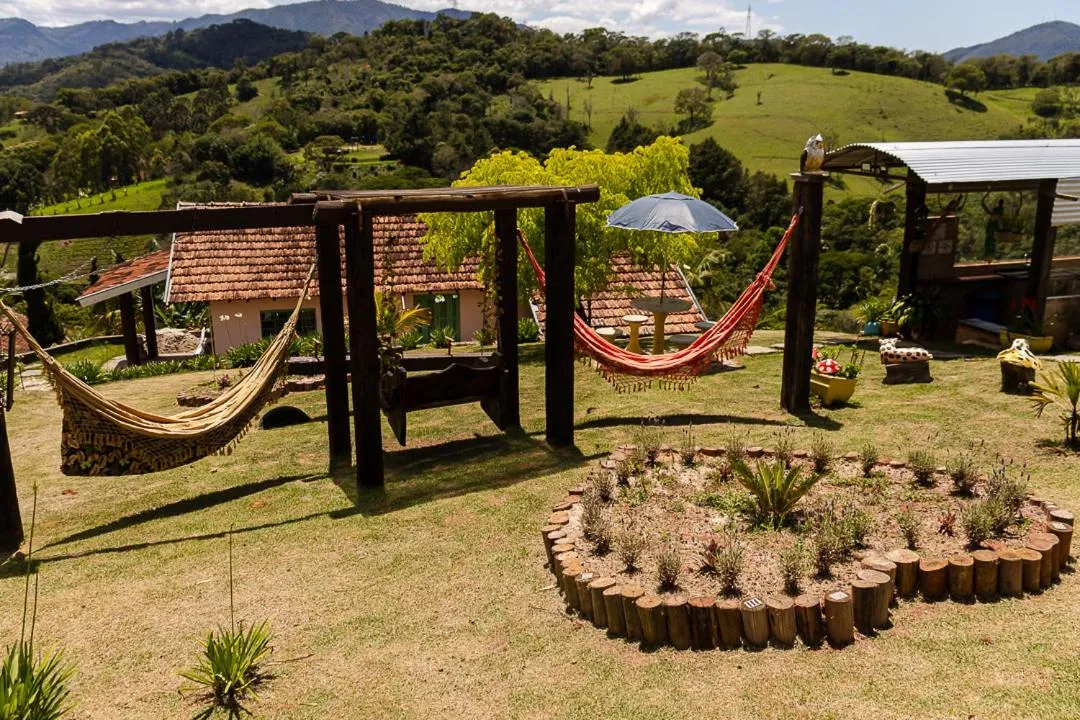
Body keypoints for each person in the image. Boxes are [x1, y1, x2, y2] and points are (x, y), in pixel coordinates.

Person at [981, 195, 1005, 262]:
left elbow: (999, 217)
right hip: (992, 229)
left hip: (994, 229)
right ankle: (987, 258)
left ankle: (989, 258)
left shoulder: (1000, 209)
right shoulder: (998, 209)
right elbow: (996, 216)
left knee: (992, 244)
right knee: (989, 244)